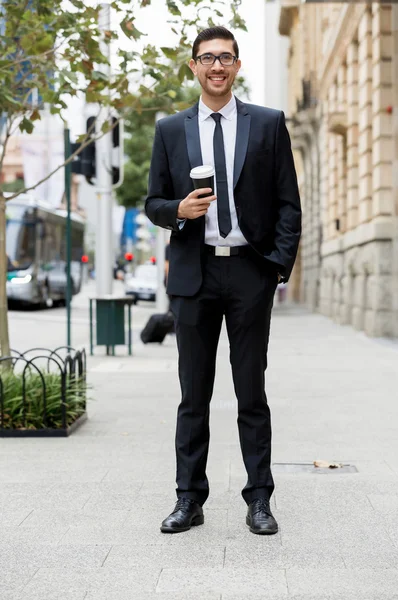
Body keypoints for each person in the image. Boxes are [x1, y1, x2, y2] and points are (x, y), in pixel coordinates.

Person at [145, 26, 301, 535]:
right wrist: (178, 210)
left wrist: (276, 266)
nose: (217, 66)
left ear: (237, 66)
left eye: (226, 58)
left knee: (250, 393)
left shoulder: (267, 124)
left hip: (249, 272)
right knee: (194, 395)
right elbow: (153, 203)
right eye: (207, 58)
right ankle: (188, 499)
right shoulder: (170, 129)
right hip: (194, 273)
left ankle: (260, 500)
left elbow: (287, 204)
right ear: (193, 65)